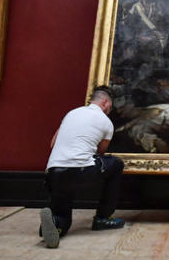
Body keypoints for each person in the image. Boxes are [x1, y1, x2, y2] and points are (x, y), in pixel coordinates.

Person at [40, 86, 126, 249]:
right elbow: (100, 152)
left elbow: (53, 144)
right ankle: (103, 218)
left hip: (54, 172)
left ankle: (55, 225)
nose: (110, 110)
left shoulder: (71, 114)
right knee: (115, 164)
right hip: (81, 170)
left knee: (63, 215)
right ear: (105, 102)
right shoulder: (106, 122)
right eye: (110, 106)